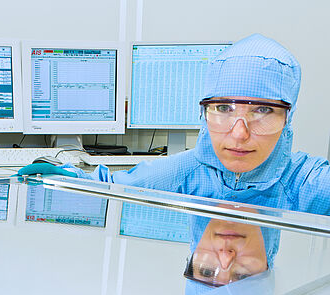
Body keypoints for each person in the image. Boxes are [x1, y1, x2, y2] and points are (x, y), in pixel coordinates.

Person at [19, 34, 330, 215]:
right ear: (204, 111)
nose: (239, 133)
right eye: (222, 108)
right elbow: (112, 187)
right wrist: (67, 178)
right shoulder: (182, 172)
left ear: (287, 117)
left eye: (262, 110)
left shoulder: (307, 185)